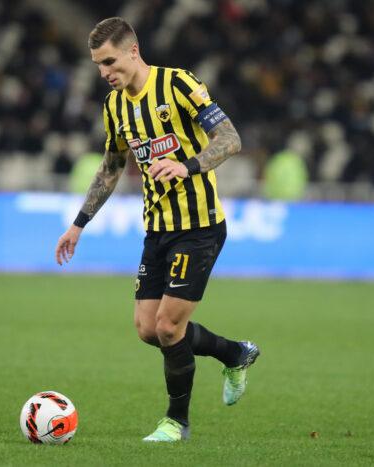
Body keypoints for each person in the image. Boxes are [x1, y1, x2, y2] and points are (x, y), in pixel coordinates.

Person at [54, 17, 259, 442]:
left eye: (109, 61)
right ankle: (235, 353)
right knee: (149, 329)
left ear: (133, 51)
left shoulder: (179, 84)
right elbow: (111, 167)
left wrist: (186, 166)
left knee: (168, 327)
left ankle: (176, 422)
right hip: (157, 228)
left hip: (200, 226)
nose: (104, 72)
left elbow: (230, 138)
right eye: (98, 65)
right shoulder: (114, 106)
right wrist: (78, 224)